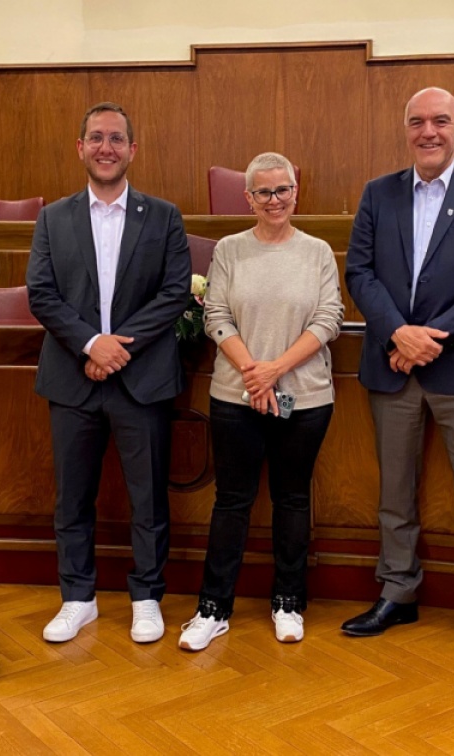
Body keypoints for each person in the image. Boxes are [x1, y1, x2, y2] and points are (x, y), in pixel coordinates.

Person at [342, 87, 454, 662]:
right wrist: (398, 333)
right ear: (406, 129)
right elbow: (360, 272)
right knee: (394, 493)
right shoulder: (378, 193)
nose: (429, 131)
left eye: (441, 120)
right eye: (417, 121)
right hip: (392, 367)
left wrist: (425, 340)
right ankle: (397, 592)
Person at [26, 102, 191, 645]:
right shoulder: (53, 218)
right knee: (73, 497)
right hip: (72, 379)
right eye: (96, 137)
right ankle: (78, 598)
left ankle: (146, 597)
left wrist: (117, 347)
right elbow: (42, 294)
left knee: (148, 498)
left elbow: (174, 292)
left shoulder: (163, 216)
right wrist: (90, 344)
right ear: (80, 148)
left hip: (141, 380)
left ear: (132, 150)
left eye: (117, 138)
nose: (106, 147)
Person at [176, 152, 344, 651]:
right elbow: (216, 315)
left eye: (282, 190)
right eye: (264, 192)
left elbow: (328, 319)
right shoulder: (230, 250)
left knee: (292, 499)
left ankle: (288, 601)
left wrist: (274, 370)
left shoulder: (317, 252)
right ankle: (213, 608)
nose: (275, 200)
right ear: (248, 198)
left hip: (305, 396)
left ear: (296, 192)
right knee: (232, 500)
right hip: (235, 396)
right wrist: (254, 373)